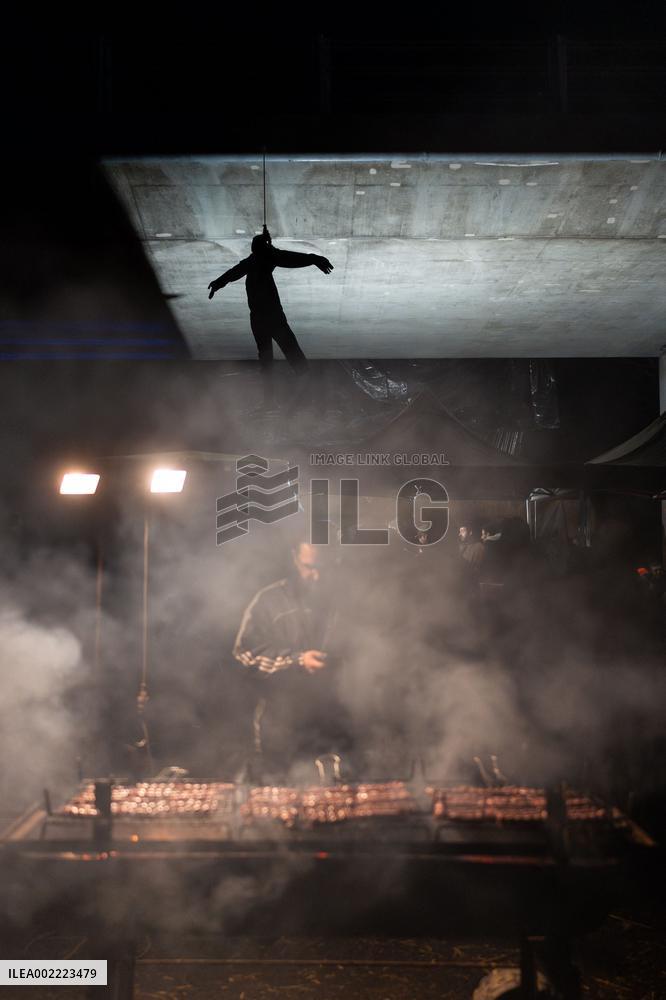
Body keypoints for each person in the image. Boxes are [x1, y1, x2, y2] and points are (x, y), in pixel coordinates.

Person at [233, 542, 349, 777]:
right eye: (310, 567)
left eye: (324, 568)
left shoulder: (343, 600)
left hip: (336, 726)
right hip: (282, 730)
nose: (317, 576)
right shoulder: (269, 600)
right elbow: (244, 654)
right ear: (295, 558)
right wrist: (296, 660)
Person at [208, 226, 333, 373]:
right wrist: (313, 258)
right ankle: (303, 382)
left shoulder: (253, 261)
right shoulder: (263, 258)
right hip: (271, 317)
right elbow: (288, 258)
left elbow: (233, 273)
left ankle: (274, 386)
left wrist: (218, 283)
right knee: (290, 351)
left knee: (269, 356)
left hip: (259, 318)